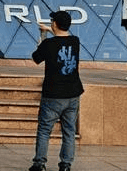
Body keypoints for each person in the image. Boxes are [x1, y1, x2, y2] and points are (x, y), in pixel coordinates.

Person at [29, 10, 84, 171]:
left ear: (54, 24)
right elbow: (61, 36)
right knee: (69, 131)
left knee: (44, 130)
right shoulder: (75, 41)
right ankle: (65, 165)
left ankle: (39, 164)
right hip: (73, 94)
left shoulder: (48, 44)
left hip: (53, 95)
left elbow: (36, 58)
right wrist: (48, 29)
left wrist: (43, 36)